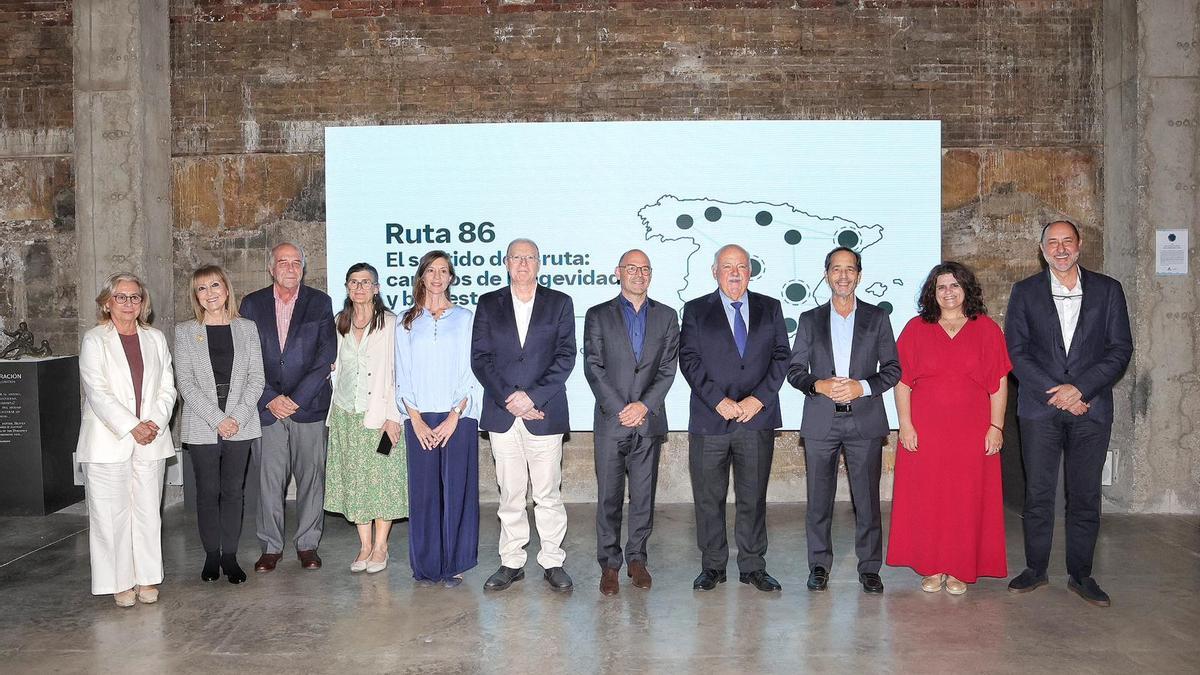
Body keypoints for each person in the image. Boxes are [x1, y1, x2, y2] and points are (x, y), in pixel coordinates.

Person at [1005, 220, 1132, 607]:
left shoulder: (1109, 290)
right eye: (1052, 243)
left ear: (1079, 246)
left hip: (1091, 408)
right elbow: (1016, 352)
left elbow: (1120, 349)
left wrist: (1080, 389)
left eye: (1067, 242)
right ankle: (1035, 569)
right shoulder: (1024, 292)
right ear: (1042, 249)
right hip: (1039, 409)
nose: (1060, 249)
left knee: (1085, 495)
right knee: (1038, 493)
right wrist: (1058, 394)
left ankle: (1081, 575)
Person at [886, 262, 1011, 595]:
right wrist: (905, 425)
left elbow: (999, 383)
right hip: (926, 430)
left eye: (955, 285)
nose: (948, 292)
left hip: (972, 430)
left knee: (965, 498)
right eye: (941, 287)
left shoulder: (987, 329)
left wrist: (996, 426)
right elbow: (902, 382)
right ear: (933, 292)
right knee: (929, 498)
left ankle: (959, 567)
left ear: (967, 289)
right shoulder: (916, 328)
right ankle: (933, 565)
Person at [787, 247, 900, 594]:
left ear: (859, 276)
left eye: (850, 269)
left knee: (867, 502)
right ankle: (819, 566)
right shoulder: (809, 319)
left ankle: (869, 568)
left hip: (864, 422)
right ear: (826, 275)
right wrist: (818, 385)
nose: (843, 276)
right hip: (821, 422)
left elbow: (893, 369)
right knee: (818, 501)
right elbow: (794, 370)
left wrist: (861, 387)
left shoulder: (877, 318)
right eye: (836, 269)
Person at [679, 244, 790, 593]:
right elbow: (689, 360)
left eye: (741, 266)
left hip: (756, 419)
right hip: (710, 420)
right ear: (715, 272)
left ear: (750, 272)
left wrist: (759, 399)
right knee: (708, 498)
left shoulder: (770, 308)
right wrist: (718, 401)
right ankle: (713, 566)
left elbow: (781, 357)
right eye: (727, 266)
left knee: (752, 497)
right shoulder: (696, 309)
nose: (735, 273)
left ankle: (753, 565)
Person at [471, 238, 577, 592]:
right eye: (516, 257)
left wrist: (532, 398)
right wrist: (510, 399)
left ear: (539, 263)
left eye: (529, 257)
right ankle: (511, 561)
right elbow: (480, 358)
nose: (522, 263)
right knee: (510, 494)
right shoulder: (489, 303)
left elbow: (565, 356)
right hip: (503, 415)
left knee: (548, 494)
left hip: (544, 413)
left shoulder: (560, 303)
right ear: (506, 263)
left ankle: (552, 560)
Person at [583, 249, 680, 595]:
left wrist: (644, 406)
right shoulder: (598, 315)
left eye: (645, 269)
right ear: (618, 272)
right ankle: (610, 565)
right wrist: (621, 408)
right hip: (612, 422)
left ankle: (637, 558)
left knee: (643, 497)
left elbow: (668, 368)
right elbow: (593, 366)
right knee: (608, 498)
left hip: (648, 422)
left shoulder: (667, 316)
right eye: (632, 268)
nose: (639, 274)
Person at [76, 272, 176, 607]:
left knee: (148, 512)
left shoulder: (155, 338)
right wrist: (132, 426)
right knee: (110, 516)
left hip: (151, 438)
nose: (129, 303)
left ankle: (147, 578)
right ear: (107, 303)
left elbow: (168, 387)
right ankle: (118, 583)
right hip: (108, 440)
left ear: (142, 302)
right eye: (121, 297)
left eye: (135, 297)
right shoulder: (94, 340)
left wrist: (154, 423)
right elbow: (97, 392)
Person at [239, 242, 337, 572]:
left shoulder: (320, 302)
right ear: (271, 268)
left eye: (296, 262)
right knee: (269, 482)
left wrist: (296, 399)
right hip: (267, 409)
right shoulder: (252, 304)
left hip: (308, 407)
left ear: (303, 269)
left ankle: (308, 544)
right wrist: (270, 397)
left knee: (312, 479)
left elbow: (326, 356)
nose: (290, 268)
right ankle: (270, 547)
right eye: (283, 262)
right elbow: (245, 357)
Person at [175, 265, 265, 584]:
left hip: (241, 422)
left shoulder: (247, 328)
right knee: (207, 492)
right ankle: (212, 556)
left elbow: (257, 378)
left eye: (215, 285)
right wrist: (218, 419)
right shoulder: (185, 332)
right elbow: (186, 383)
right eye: (202, 288)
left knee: (233, 492)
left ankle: (230, 556)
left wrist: (235, 418)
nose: (209, 293)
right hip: (202, 424)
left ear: (226, 290)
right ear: (196, 296)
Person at [395, 251, 481, 588]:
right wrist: (414, 419)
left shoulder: (465, 318)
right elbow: (402, 373)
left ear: (451, 278)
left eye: (443, 271)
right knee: (424, 493)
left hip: (457, 416)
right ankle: (427, 565)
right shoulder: (405, 321)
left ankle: (454, 563)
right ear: (421, 276)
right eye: (431, 270)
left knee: (457, 491)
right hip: (418, 416)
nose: (437, 276)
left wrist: (454, 415)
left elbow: (470, 371)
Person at [323, 263, 406, 574]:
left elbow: (399, 373)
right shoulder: (339, 323)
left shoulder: (392, 324)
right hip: (346, 414)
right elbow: (334, 366)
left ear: (376, 288)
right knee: (355, 480)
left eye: (366, 282)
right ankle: (364, 545)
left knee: (382, 480)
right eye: (353, 282)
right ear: (347, 287)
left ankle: (381, 546)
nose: (359, 288)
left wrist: (393, 416)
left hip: (380, 417)